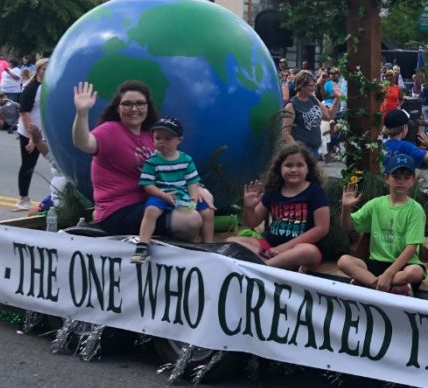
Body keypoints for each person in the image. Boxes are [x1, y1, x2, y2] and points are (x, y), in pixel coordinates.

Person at [71, 81, 205, 240]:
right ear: (118, 108)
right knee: (190, 220)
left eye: (140, 103)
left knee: (202, 206)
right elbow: (83, 142)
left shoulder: (152, 136)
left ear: (148, 107)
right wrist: (82, 113)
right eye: (127, 104)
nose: (134, 109)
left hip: (151, 201)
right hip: (119, 210)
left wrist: (198, 188)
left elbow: (172, 167)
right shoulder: (110, 131)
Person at [337, 153, 426, 296]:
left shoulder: (415, 209)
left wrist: (389, 274)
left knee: (416, 272)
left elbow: (411, 248)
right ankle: (384, 287)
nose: (401, 181)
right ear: (386, 178)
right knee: (343, 261)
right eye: (396, 177)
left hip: (403, 264)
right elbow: (347, 226)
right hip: (377, 261)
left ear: (412, 181)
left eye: (406, 177)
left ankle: (368, 283)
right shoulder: (376, 204)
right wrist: (346, 208)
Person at [229, 144, 330, 270]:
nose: (294, 170)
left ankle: (264, 267)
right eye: (288, 165)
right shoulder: (274, 191)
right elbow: (252, 222)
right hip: (269, 247)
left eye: (299, 165)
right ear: (280, 168)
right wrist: (249, 207)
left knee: (308, 251)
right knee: (232, 241)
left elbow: (322, 228)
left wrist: (284, 248)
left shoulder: (315, 191)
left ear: (308, 169)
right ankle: (268, 262)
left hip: (298, 248)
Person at [130, 117, 214, 264]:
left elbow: (192, 182)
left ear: (179, 140)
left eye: (167, 138)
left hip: (183, 195)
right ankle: (142, 246)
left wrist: (193, 200)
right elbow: (147, 184)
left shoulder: (186, 160)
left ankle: (209, 247)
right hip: (161, 194)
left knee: (207, 212)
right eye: (157, 138)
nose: (161, 142)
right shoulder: (151, 162)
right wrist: (162, 195)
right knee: (151, 211)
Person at [283, 70, 341, 157]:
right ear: (301, 86)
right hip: (302, 152)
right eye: (311, 85)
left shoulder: (313, 99)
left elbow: (329, 115)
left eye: (314, 85)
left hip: (315, 150)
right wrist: (298, 152)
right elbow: (285, 133)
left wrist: (337, 98)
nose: (314, 88)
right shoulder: (291, 105)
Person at [15, 58, 48, 210]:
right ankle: (23, 198)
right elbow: (25, 114)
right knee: (29, 164)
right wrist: (31, 138)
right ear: (38, 70)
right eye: (44, 69)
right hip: (29, 131)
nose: (47, 72)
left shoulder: (50, 86)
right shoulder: (31, 88)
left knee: (59, 165)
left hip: (46, 132)